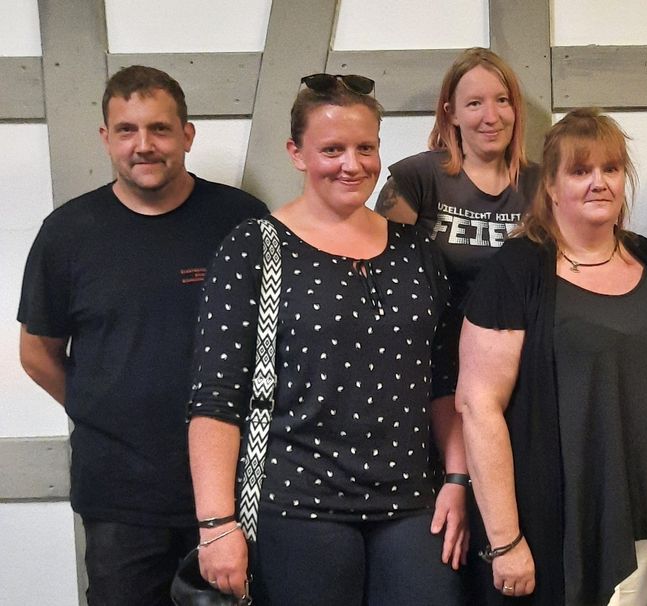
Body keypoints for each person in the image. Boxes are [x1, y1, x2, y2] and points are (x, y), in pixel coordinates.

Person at [187, 73, 466, 605]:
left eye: (366, 148)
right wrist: (216, 525)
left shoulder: (416, 251)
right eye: (332, 149)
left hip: (413, 505)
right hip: (297, 506)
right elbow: (216, 398)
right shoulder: (255, 247)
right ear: (296, 153)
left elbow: (445, 383)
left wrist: (458, 479)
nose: (352, 164)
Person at [16, 65, 267, 606]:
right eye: (127, 130)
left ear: (187, 135)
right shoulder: (67, 233)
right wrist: (102, 408)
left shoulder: (242, 222)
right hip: (119, 496)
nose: (143, 145)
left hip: (235, 488)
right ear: (106, 138)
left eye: (159, 129)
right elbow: (36, 354)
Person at [457, 108, 647, 605]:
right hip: (566, 520)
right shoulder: (518, 270)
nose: (599, 182)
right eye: (580, 170)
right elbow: (478, 406)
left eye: (610, 169)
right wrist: (505, 541)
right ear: (551, 186)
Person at [375, 46, 539, 395]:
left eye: (502, 100)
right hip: (430, 365)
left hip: (519, 367)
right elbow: (380, 283)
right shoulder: (417, 178)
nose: (491, 116)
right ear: (451, 113)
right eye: (475, 103)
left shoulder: (542, 185)